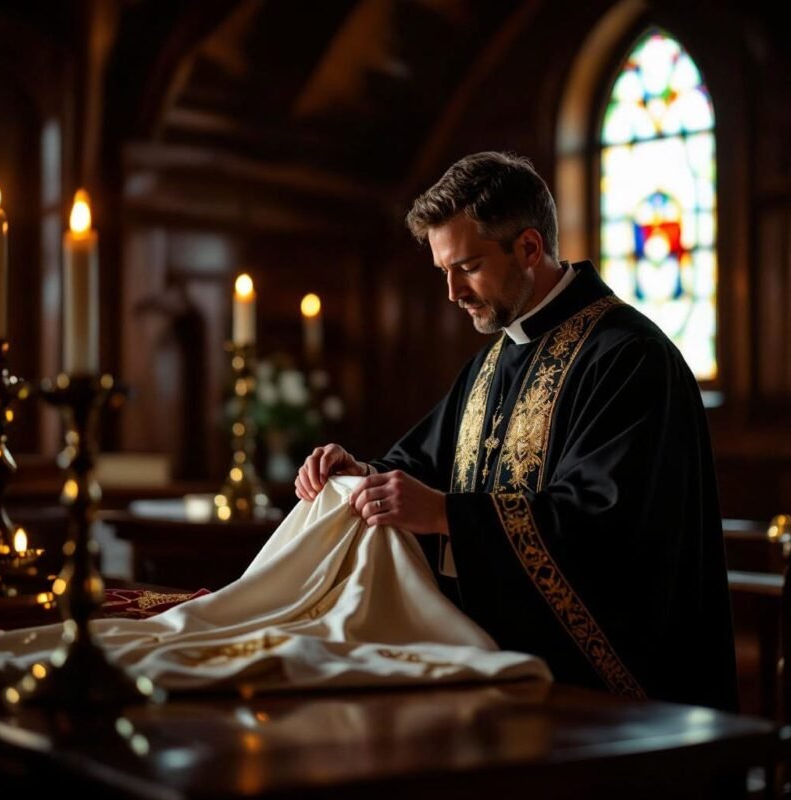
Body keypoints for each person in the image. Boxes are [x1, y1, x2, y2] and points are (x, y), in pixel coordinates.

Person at [295, 151, 738, 711]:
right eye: (443, 271)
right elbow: (426, 464)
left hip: (617, 702)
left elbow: (605, 523)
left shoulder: (630, 357)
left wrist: (446, 515)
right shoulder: (492, 362)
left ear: (529, 248)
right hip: (500, 675)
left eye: (468, 267)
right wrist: (362, 473)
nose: (452, 292)